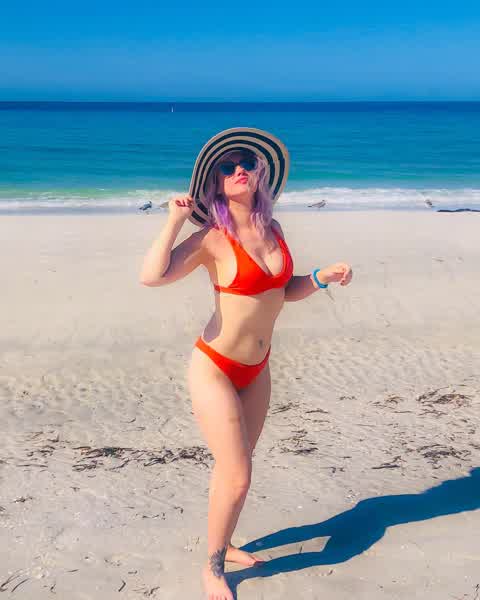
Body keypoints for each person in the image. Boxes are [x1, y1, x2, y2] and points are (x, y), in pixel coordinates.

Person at [140, 128, 353, 600]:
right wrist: (173, 221)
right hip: (215, 367)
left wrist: (321, 277)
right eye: (227, 166)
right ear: (214, 183)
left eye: (247, 163)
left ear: (260, 174)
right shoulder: (212, 239)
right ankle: (213, 566)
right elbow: (152, 277)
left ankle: (226, 542)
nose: (239, 169)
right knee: (237, 476)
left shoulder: (273, 230)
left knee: (235, 468)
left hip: (258, 370)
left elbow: (282, 290)